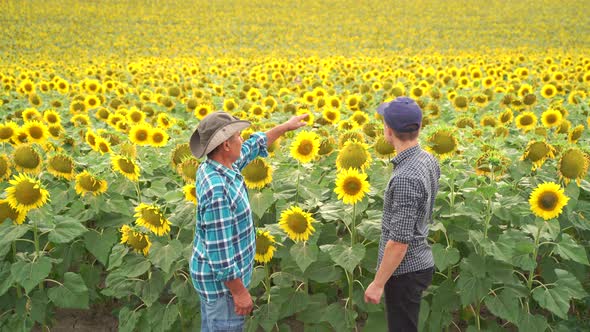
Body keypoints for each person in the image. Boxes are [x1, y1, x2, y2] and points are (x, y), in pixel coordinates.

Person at [189, 111, 308, 332]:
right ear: (226, 145)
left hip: (215, 279)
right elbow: (221, 252)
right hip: (222, 288)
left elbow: (253, 146)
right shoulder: (218, 189)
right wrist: (239, 292)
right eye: (238, 136)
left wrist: (285, 127)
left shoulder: (220, 166)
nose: (242, 139)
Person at [364, 97, 440, 332]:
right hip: (419, 261)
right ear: (419, 127)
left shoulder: (406, 177)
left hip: (404, 270)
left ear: (388, 131)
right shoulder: (427, 159)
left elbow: (399, 242)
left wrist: (377, 284)